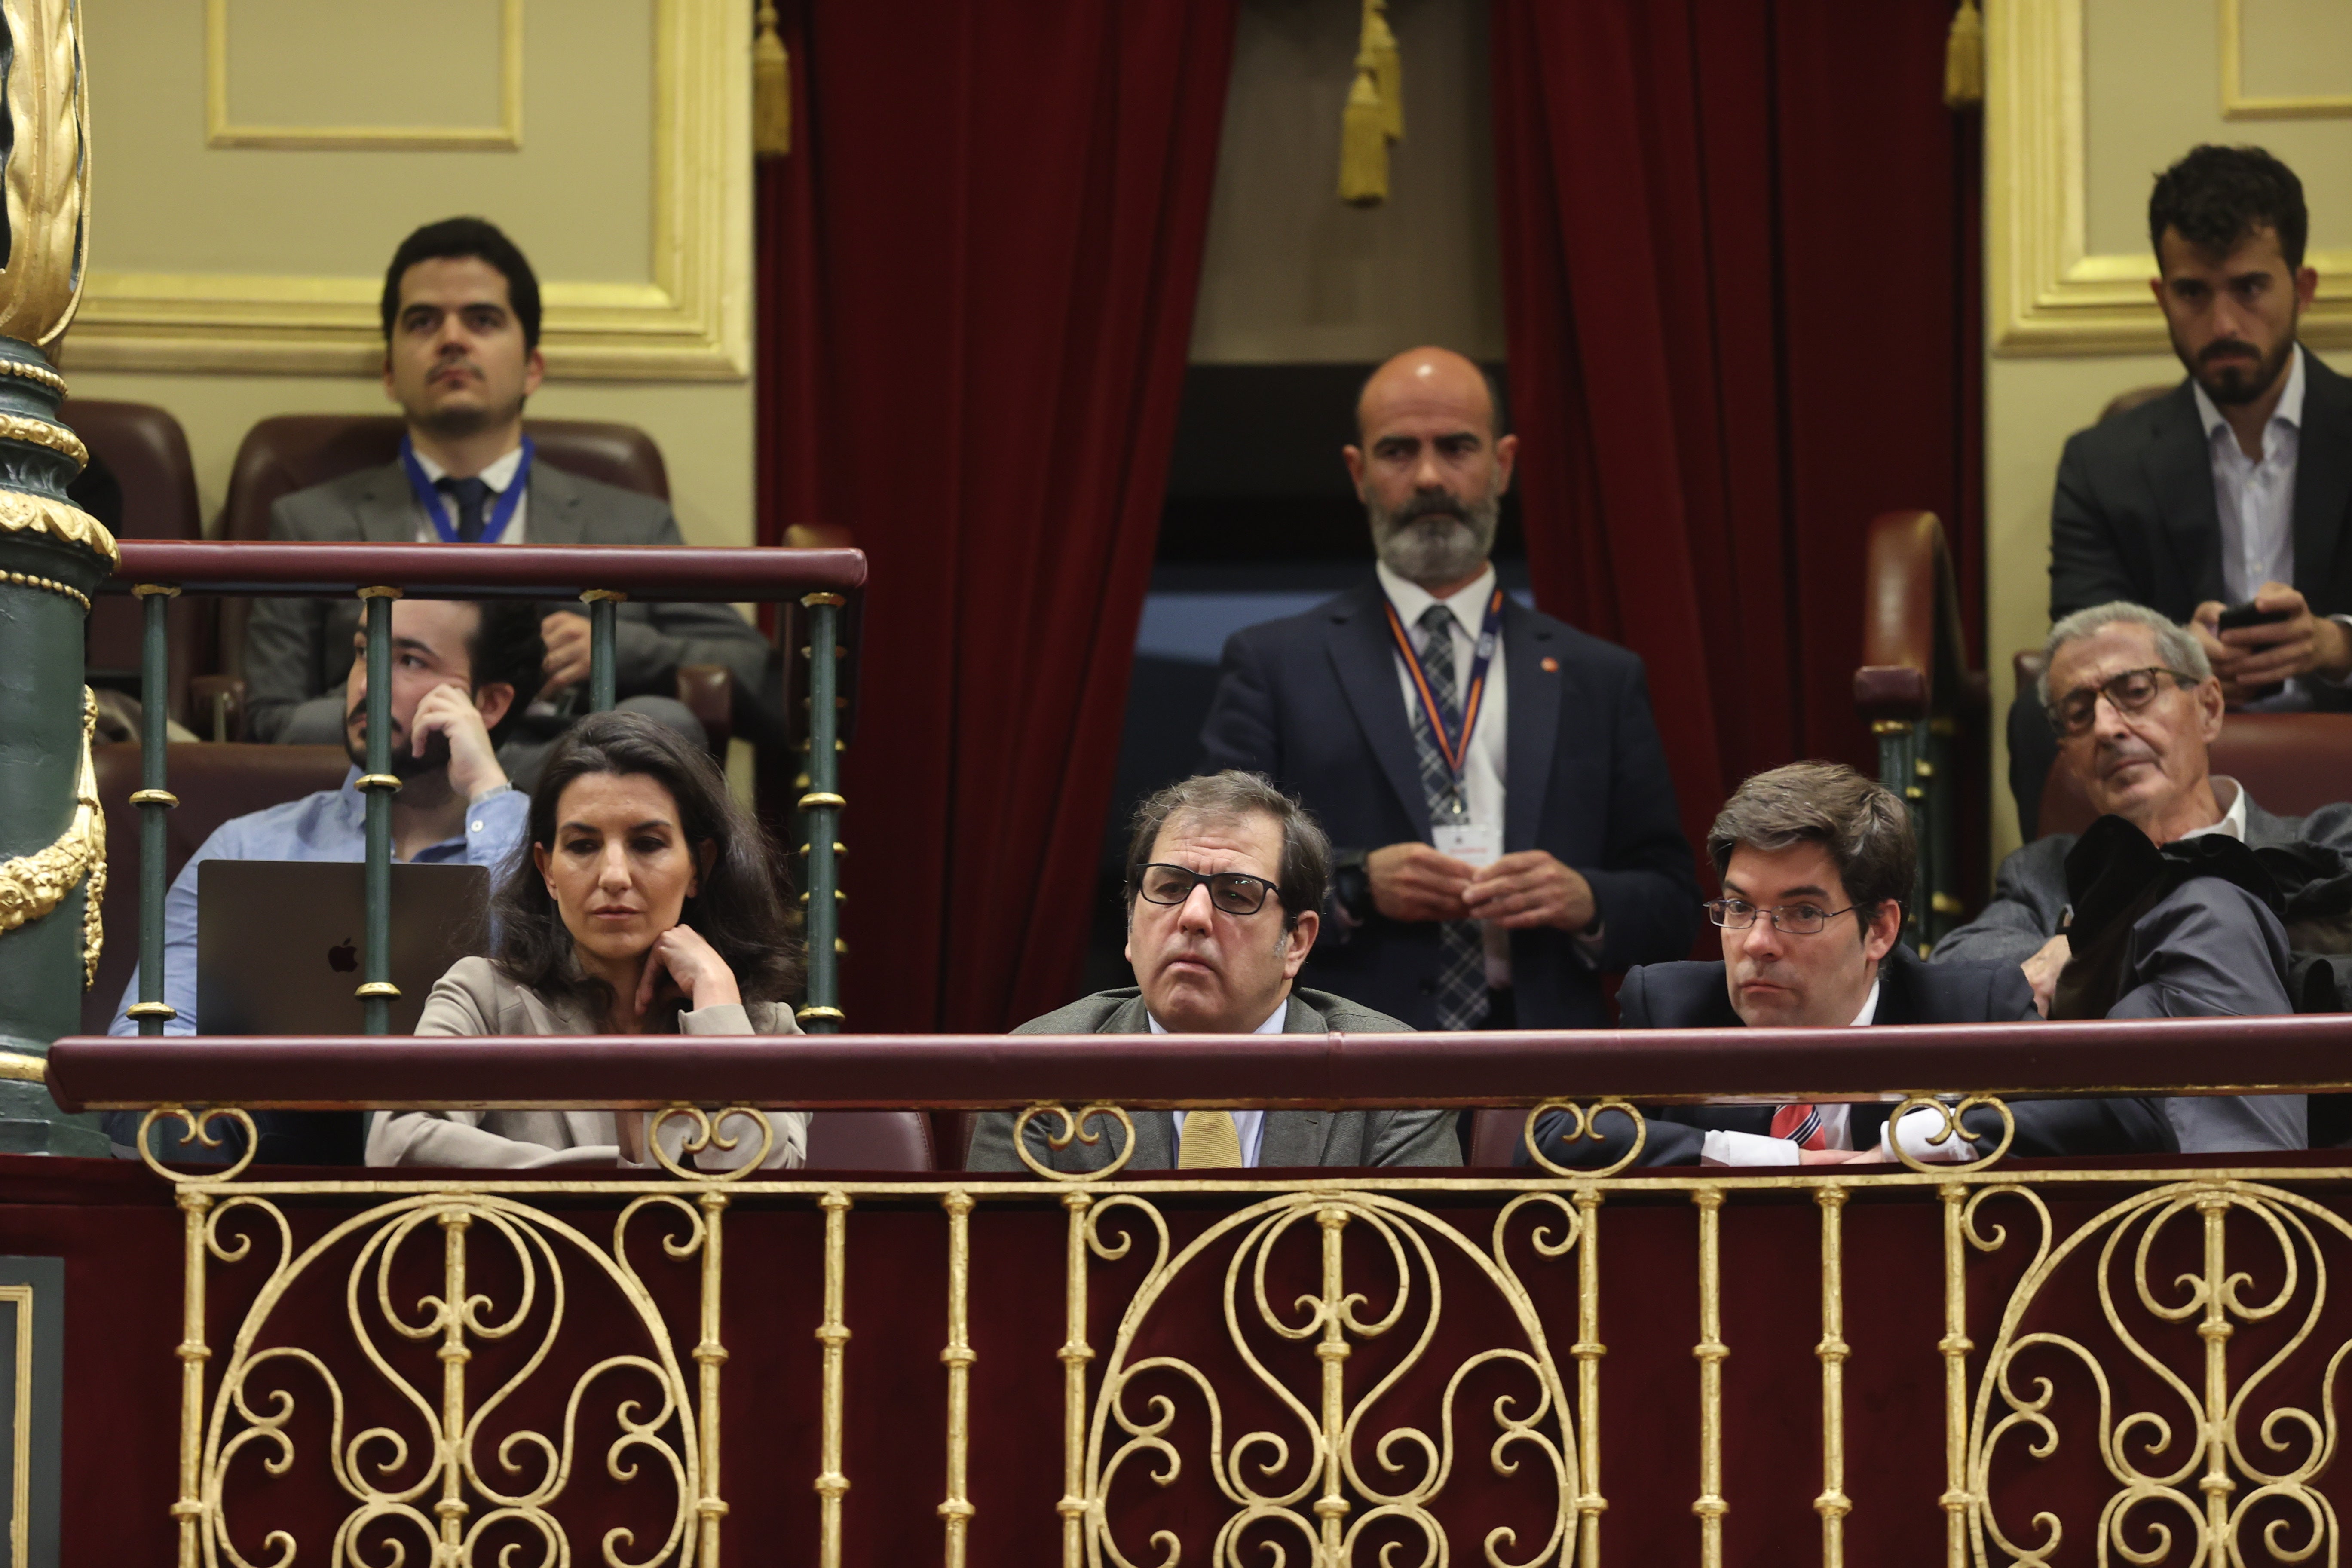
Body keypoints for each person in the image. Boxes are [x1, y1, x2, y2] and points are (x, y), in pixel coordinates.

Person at [1197, 346, 1697, 1035]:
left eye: (1457, 447)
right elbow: (1218, 877)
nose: (1430, 477)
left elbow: (1674, 905)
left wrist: (1587, 899)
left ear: (1504, 464)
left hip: (1548, 1065)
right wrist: (1356, 883)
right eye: (1398, 451)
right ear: (1359, 473)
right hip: (1345, 1060)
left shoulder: (1600, 676)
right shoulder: (1273, 664)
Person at [241, 217, 771, 781]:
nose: (452, 339)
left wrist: (613, 645)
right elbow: (271, 719)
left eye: (482, 320)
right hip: (388, 773)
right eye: (423, 321)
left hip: (568, 774)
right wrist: (398, 686)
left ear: (532, 368)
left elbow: (763, 679)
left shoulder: (629, 523)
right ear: (390, 373)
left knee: (664, 722)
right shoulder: (310, 521)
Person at [1527, 763, 2174, 1170]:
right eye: (1739, 908)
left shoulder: (1966, 1008)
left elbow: (2131, 1123)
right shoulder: (1669, 1006)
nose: (1757, 943)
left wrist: (1920, 1141)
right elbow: (1549, 1134)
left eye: (1803, 913)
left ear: (1881, 929)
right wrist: (1740, 1155)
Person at [101, 597, 542, 1163]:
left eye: (410, 661)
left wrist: (488, 792)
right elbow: (145, 1037)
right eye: (363, 651)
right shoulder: (249, 847)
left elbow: (534, 1000)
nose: (367, 683)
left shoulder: (551, 851)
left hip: (474, 1150)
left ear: (489, 703)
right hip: (263, 1154)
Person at [2017, 146, 2352, 824]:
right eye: (2194, 293)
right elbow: (2080, 639)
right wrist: (2173, 655)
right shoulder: (2101, 463)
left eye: (2250, 288)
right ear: (2161, 296)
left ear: (2303, 288)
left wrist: (2335, 646)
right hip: (2165, 733)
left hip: (2338, 707)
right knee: (2035, 715)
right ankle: (2094, 887)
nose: (2223, 324)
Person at [1937, 602, 2316, 1150]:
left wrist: (2097, 945)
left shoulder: (2325, 840)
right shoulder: (2042, 874)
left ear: (2209, 708)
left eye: (2135, 691)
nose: (2107, 727)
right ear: (2069, 758)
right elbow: (1962, 975)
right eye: (2078, 714)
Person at [369, 711, 808, 1170]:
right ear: (548, 871)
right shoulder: (484, 997)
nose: (614, 876)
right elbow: (397, 1144)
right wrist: (599, 1180)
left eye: (647, 844)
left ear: (699, 866)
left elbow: (762, 1184)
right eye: (583, 846)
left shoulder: (763, 1027)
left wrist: (716, 999)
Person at [966, 772, 1457, 1172]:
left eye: (1236, 895)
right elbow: (1007, 1262)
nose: (1194, 916)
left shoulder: (1392, 1078)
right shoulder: (1037, 1069)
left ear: (1297, 942)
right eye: (1170, 888)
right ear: (1132, 923)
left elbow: (1410, 1263)